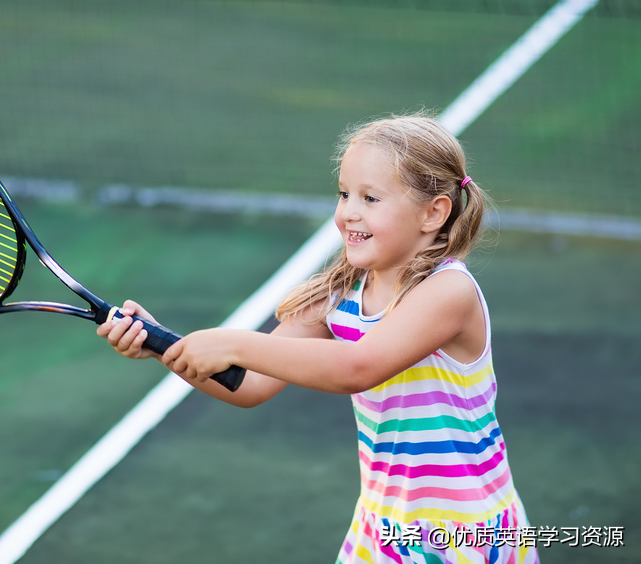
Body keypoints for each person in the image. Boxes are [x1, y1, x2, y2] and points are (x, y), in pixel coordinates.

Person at [97, 114, 538, 564]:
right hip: (381, 535)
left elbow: (357, 368)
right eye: (345, 194)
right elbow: (248, 385)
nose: (349, 212)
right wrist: (161, 346)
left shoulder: (448, 291)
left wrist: (233, 342)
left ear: (433, 213)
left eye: (371, 198)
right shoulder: (339, 294)